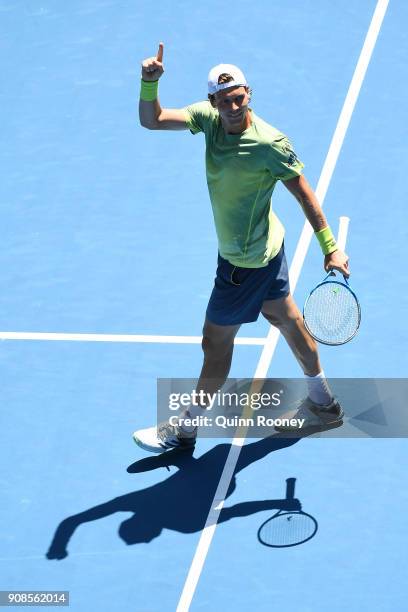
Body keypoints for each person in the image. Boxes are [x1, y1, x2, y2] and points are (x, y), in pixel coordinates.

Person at [133, 43, 349, 453]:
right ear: (213, 101)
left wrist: (330, 246)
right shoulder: (207, 120)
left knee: (215, 344)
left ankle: (186, 426)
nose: (234, 106)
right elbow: (154, 120)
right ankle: (324, 404)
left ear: (249, 93)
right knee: (287, 320)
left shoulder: (269, 143)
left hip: (243, 264)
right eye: (225, 100)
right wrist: (149, 83)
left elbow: (303, 193)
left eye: (240, 97)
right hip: (268, 249)